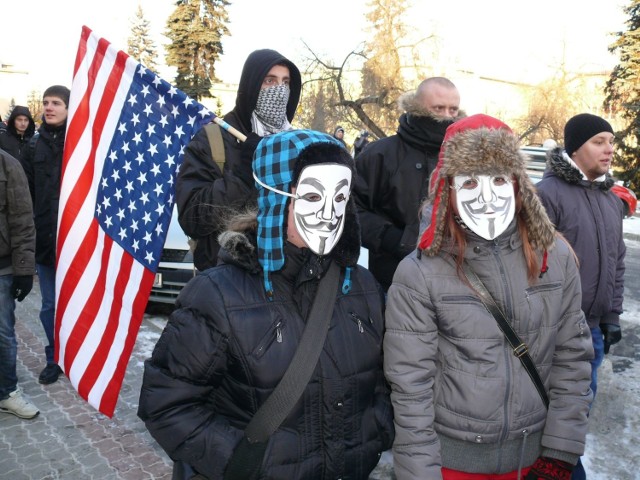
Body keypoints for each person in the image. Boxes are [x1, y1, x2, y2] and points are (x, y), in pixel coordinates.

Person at [139, 129, 394, 479]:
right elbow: (167, 403)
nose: (329, 214)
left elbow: (384, 382)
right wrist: (245, 463)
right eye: (312, 196)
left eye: (340, 198)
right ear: (277, 199)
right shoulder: (218, 295)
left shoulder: (362, 287)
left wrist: (375, 431)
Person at [384, 114, 594, 480]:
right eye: (469, 183)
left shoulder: (555, 257)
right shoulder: (418, 273)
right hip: (452, 464)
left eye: (498, 179)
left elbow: (572, 358)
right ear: (448, 190)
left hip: (536, 458)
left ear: (517, 185)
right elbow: (410, 388)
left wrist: (559, 454)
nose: (486, 197)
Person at [535, 113, 626, 480]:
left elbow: (617, 260)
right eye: (599, 141)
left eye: (611, 141)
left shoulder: (608, 199)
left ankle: (563, 462)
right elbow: (535, 263)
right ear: (576, 147)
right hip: (557, 329)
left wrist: (612, 317)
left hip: (594, 329)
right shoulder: (548, 194)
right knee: (553, 409)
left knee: (578, 409)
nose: (609, 150)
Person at [176, 49, 302, 271]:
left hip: (282, 277)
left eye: (285, 83)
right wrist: (244, 173)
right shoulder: (213, 139)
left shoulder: (294, 144)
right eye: (269, 81)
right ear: (251, 85)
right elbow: (192, 217)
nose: (279, 91)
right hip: (226, 279)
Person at [353, 76, 464, 291]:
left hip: (453, 280)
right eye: (438, 108)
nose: (446, 117)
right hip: (392, 280)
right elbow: (350, 208)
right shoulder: (381, 154)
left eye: (453, 110)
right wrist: (393, 238)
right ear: (417, 107)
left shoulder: (465, 157)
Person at [21, 85, 70, 385]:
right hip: (45, 243)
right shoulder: (32, 148)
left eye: (56, 103)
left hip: (75, 243)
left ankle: (76, 355)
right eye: (46, 103)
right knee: (49, 306)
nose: (49, 108)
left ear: (68, 108)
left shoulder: (79, 145)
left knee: (76, 303)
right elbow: (26, 197)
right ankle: (54, 358)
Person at [0, 148, 38, 419]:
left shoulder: (8, 165)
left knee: (3, 335)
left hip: (1, 269)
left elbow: (23, 220)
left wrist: (24, 270)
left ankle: (7, 392)